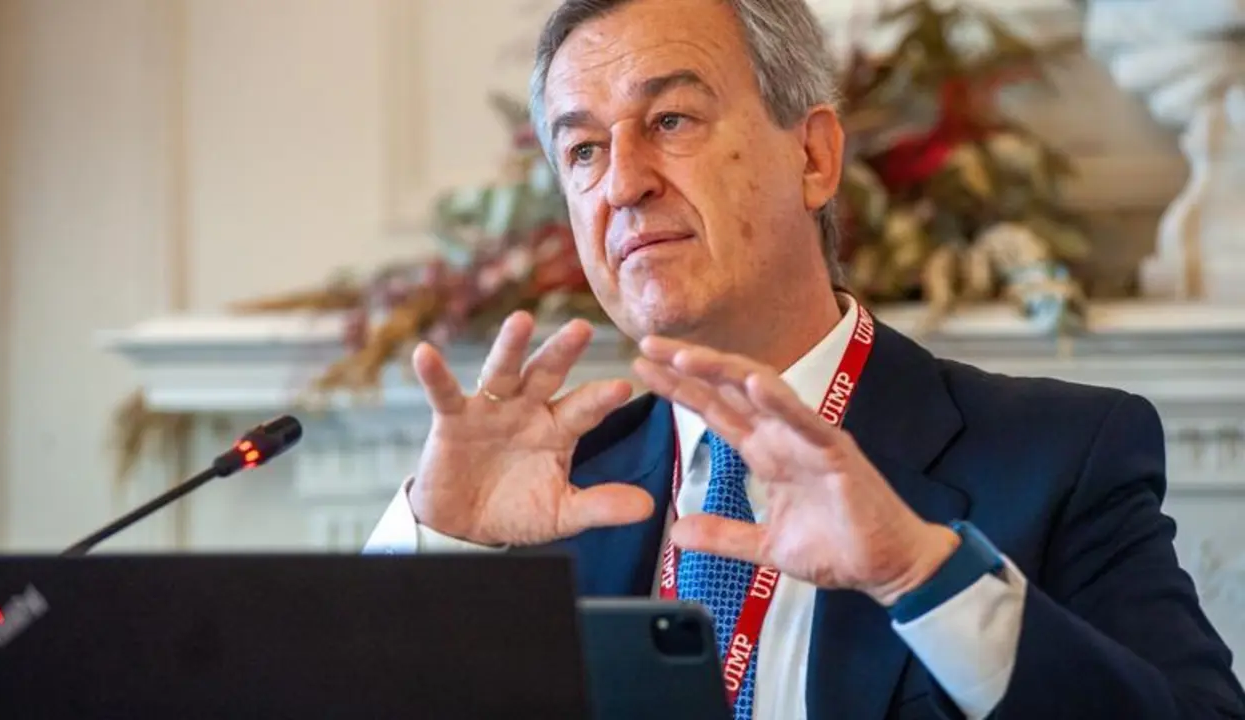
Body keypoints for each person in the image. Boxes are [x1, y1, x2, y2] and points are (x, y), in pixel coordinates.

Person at [363, 0, 1245, 717]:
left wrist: (922, 576)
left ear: (815, 156)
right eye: (584, 149)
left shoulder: (1059, 455)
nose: (623, 182)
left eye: (670, 119)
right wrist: (436, 545)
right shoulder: (553, 492)